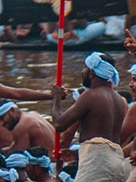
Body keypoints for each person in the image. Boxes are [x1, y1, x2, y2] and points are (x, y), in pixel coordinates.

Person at [52, 52, 126, 182]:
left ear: (92, 73)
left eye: (84, 68)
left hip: (97, 161)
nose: (82, 72)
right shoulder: (119, 100)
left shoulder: (90, 95)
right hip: (117, 161)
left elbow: (59, 124)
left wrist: (56, 99)